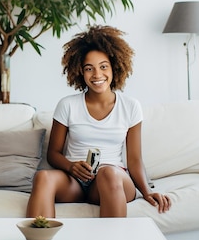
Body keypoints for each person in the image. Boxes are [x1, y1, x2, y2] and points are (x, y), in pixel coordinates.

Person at [26, 25, 171, 218]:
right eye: (89, 68)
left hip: (114, 179)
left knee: (107, 173)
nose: (97, 75)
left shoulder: (130, 107)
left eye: (103, 66)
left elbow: (135, 160)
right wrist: (71, 167)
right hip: (75, 181)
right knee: (43, 177)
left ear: (114, 67)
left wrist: (147, 192)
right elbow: (53, 154)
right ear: (80, 71)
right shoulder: (68, 105)